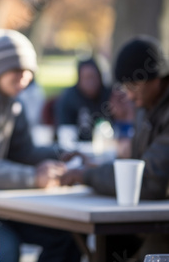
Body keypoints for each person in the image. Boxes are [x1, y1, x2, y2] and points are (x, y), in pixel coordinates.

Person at [0, 29, 81, 262]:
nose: (24, 78)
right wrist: (34, 177)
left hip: (1, 204)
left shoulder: (13, 102)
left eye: (29, 72)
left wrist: (60, 155)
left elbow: (23, 152)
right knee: (6, 247)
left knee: (67, 237)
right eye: (17, 70)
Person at [61, 35, 169, 259]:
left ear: (157, 78)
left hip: (160, 227)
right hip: (147, 219)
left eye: (134, 85)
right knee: (102, 243)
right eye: (125, 87)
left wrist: (87, 175)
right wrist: (96, 166)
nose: (129, 95)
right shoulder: (146, 107)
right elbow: (136, 163)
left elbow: (149, 180)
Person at [55, 57, 111, 141]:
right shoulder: (69, 98)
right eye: (86, 78)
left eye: (93, 77)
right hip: (78, 149)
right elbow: (65, 135)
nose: (91, 83)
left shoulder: (110, 96)